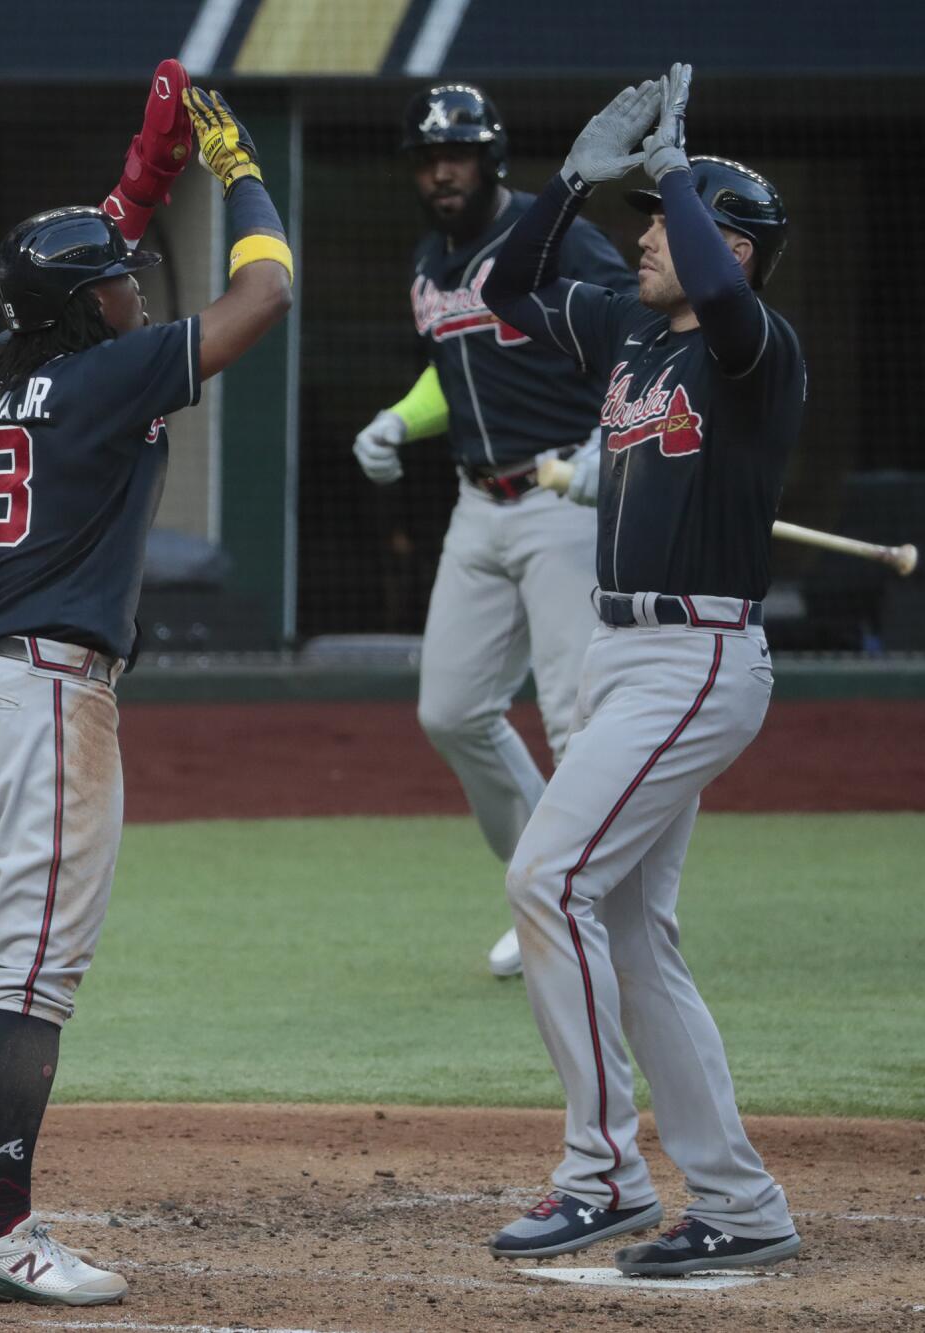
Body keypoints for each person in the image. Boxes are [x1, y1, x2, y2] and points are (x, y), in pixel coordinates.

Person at [0, 80, 291, 1306]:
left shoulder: (3, 364)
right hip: (40, 699)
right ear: (81, 310)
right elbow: (264, 294)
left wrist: (148, 165)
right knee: (29, 983)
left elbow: (91, 246)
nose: (133, 286)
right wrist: (234, 168)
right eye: (115, 282)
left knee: (8, 974)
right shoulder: (105, 377)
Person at [477, 67, 805, 1274]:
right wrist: (571, 179)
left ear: (727, 244)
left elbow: (722, 297)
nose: (645, 236)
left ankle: (600, 1172)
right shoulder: (623, 324)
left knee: (545, 879)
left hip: (696, 656)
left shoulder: (754, 349)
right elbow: (504, 283)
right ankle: (738, 1202)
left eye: (662, 222)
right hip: (624, 657)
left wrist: (674, 165)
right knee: (627, 931)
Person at [353, 83, 636, 979]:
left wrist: (607, 442)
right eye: (431, 156)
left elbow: (638, 333)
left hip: (563, 494)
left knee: (572, 716)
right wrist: (401, 417)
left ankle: (577, 906)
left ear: (492, 157)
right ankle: (540, 882)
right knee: (450, 708)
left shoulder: (549, 235)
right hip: (476, 503)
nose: (445, 169)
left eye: (462, 153)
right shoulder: (428, 262)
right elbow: (454, 369)